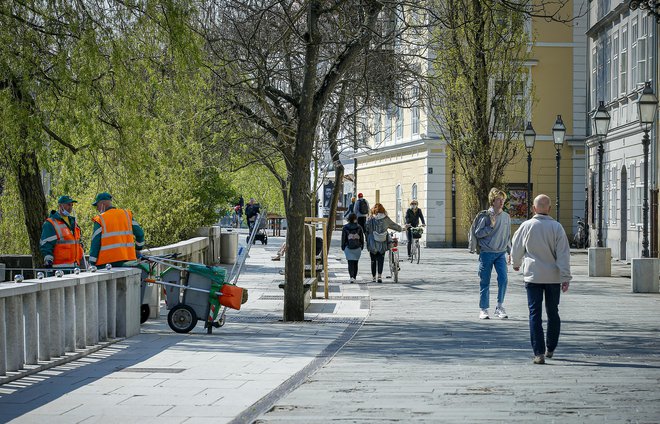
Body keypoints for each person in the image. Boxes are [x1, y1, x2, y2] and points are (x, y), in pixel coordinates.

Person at [511, 194, 572, 365]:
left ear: (533, 208)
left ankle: (538, 353)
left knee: (534, 314)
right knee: (553, 313)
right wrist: (565, 276)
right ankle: (550, 347)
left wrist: (516, 263)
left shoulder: (526, 226)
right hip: (553, 277)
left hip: (533, 276)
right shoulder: (557, 228)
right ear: (550, 209)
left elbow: (517, 247)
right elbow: (563, 254)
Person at [473, 187, 511, 320]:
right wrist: (490, 226)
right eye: (498, 200)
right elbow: (478, 233)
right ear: (492, 201)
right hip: (487, 253)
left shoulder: (506, 216)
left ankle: (499, 307)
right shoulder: (485, 215)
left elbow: (507, 236)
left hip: (501, 253)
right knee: (485, 281)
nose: (501, 202)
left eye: (503, 200)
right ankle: (483, 309)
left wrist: (510, 252)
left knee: (503, 279)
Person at [89, 192, 145, 268]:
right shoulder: (126, 214)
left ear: (103, 204)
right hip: (129, 261)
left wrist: (92, 263)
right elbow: (140, 234)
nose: (97, 209)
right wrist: (138, 249)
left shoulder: (100, 219)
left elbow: (95, 243)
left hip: (107, 263)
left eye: (97, 205)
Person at [39, 195, 84, 268]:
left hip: (75, 267)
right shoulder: (50, 223)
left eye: (72, 205)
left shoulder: (74, 222)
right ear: (60, 206)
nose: (71, 207)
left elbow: (78, 243)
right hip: (59, 268)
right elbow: (46, 244)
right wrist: (48, 260)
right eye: (68, 205)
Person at [366, 203, 402, 283]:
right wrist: (402, 229)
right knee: (380, 260)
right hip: (382, 242)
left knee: (373, 260)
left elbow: (366, 229)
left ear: (373, 210)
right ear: (383, 210)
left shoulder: (370, 219)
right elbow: (394, 226)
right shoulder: (386, 219)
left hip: (372, 242)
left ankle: (373, 277)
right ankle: (379, 276)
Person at [341, 213, 364, 284]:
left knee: (350, 263)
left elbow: (343, 238)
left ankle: (351, 277)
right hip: (357, 247)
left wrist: (343, 247)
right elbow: (362, 238)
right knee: (355, 263)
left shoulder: (345, 227)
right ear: (355, 218)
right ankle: (354, 277)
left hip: (348, 247)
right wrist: (361, 246)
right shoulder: (359, 227)